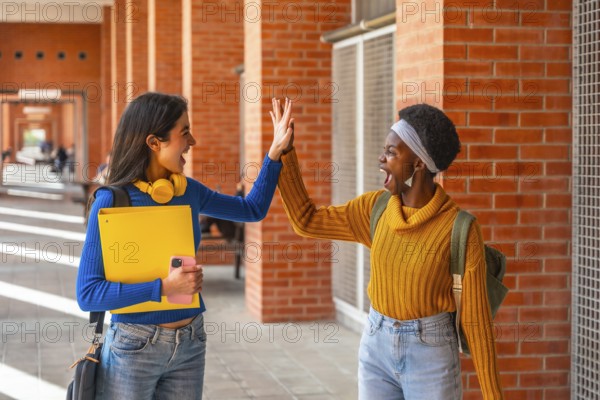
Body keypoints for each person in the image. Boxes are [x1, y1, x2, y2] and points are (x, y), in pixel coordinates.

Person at [274, 100, 503, 400]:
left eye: (392, 152)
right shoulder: (376, 208)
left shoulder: (459, 229)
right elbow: (307, 220)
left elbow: (476, 322)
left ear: (419, 163)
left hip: (430, 357)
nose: (381, 159)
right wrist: (285, 153)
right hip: (375, 347)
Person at [77, 92, 293, 399]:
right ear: (154, 142)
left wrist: (273, 155)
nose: (193, 141)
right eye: (184, 132)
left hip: (190, 342)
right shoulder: (111, 201)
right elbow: (88, 295)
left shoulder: (188, 191)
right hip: (133, 346)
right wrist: (164, 287)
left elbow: (251, 209)